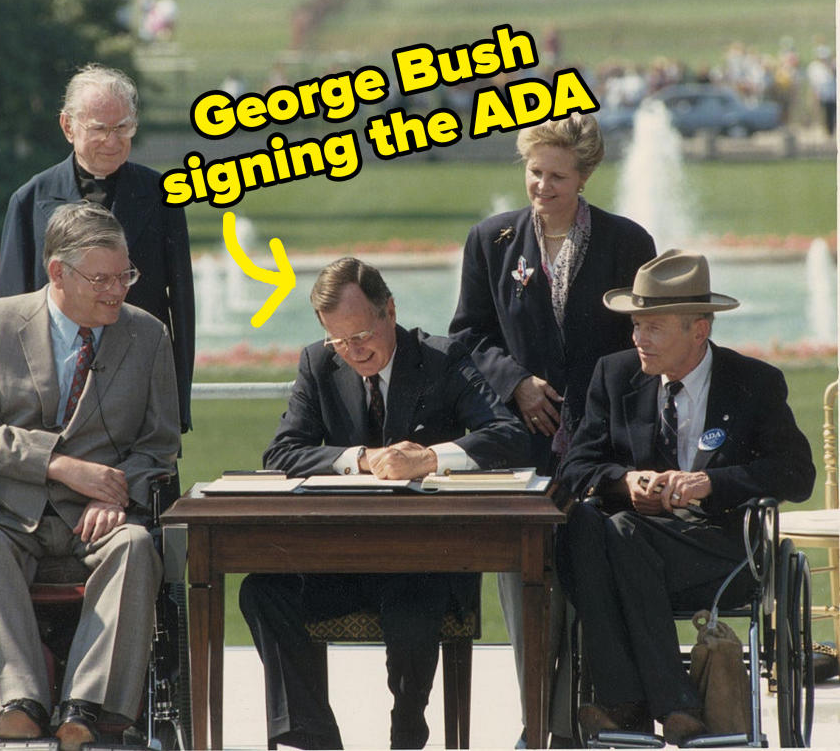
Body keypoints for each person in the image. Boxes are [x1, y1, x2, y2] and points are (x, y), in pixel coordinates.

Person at [240, 257, 530, 750]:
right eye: (339, 340)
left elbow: (508, 435)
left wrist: (430, 459)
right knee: (262, 590)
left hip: (427, 564)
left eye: (361, 335)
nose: (352, 352)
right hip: (340, 563)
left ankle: (407, 726)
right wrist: (360, 458)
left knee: (412, 596)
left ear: (389, 311)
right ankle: (312, 738)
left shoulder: (444, 358)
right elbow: (282, 452)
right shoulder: (318, 363)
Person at [447, 112, 655, 745]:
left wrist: (599, 405)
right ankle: (540, 724)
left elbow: (644, 342)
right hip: (520, 445)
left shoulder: (626, 242)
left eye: (557, 177)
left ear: (585, 175)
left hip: (604, 445)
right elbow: (467, 334)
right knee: (526, 585)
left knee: (589, 573)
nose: (542, 187)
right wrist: (516, 382)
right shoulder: (491, 239)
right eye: (535, 173)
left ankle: (581, 724)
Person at [557, 249, 815, 745]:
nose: (638, 339)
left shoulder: (754, 383)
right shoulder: (615, 375)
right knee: (586, 525)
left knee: (617, 531)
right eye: (635, 325)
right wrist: (624, 482)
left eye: (653, 327)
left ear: (699, 330)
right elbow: (575, 467)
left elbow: (797, 475)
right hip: (630, 546)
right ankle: (670, 706)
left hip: (719, 548)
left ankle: (628, 705)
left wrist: (713, 482)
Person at [0, 201, 181, 750]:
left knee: (133, 546)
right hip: (13, 511)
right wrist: (59, 466)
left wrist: (118, 489)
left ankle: (87, 709)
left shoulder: (147, 335)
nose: (116, 291)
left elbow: (159, 444)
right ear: (58, 272)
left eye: (124, 275)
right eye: (101, 279)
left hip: (103, 518)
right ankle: (19, 703)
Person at [0, 63, 195, 433]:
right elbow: (11, 315)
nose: (113, 140)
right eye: (100, 129)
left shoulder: (163, 196)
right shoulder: (28, 201)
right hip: (52, 400)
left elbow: (181, 308)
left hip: (139, 393)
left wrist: (176, 407)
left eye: (123, 128)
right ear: (68, 126)